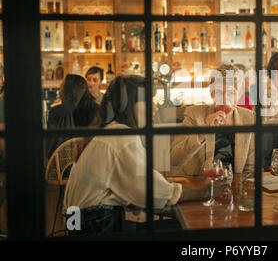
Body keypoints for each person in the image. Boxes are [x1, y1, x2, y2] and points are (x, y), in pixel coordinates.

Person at [64, 76, 217, 236]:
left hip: (81, 223)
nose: (155, 107)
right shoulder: (121, 136)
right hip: (96, 225)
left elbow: (140, 185)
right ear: (129, 106)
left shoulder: (110, 130)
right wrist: (206, 192)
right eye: (148, 101)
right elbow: (151, 190)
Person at [170, 63, 255, 176]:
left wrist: (239, 188)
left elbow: (251, 167)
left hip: (234, 186)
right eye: (219, 92)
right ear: (211, 93)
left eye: (231, 93)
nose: (224, 100)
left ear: (239, 95)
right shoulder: (194, 115)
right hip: (199, 185)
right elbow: (175, 159)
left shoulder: (248, 118)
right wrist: (203, 133)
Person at [45, 74, 99, 159]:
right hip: (92, 160)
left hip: (64, 165)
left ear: (66, 91)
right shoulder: (97, 109)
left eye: (62, 86)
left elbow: (50, 147)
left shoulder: (56, 112)